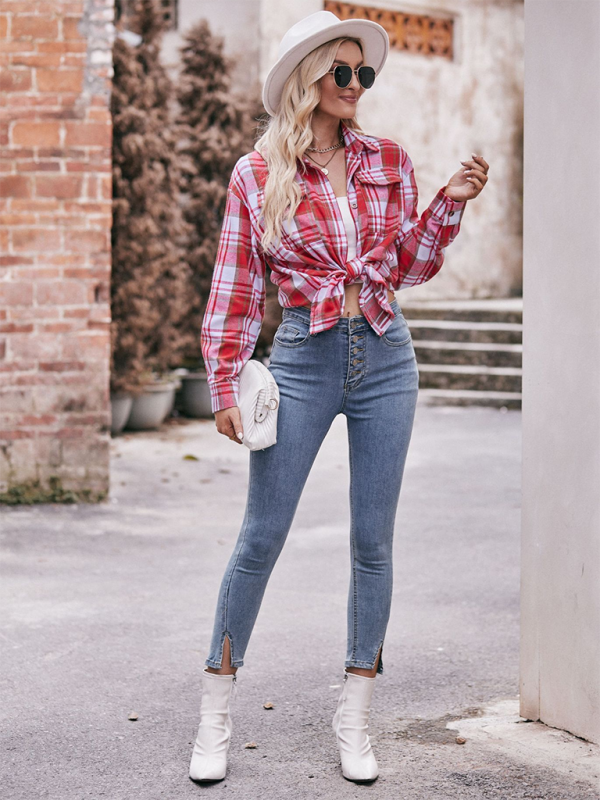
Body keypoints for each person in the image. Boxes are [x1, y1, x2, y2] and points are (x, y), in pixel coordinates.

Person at [189, 9, 489, 785]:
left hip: (386, 354)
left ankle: (354, 714)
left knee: (373, 544)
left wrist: (449, 202)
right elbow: (236, 287)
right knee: (261, 537)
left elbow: (408, 266)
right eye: (344, 72)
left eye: (365, 73)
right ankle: (215, 709)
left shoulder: (387, 159)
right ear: (309, 78)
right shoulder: (258, 174)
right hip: (303, 357)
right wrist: (224, 380)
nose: (358, 85)